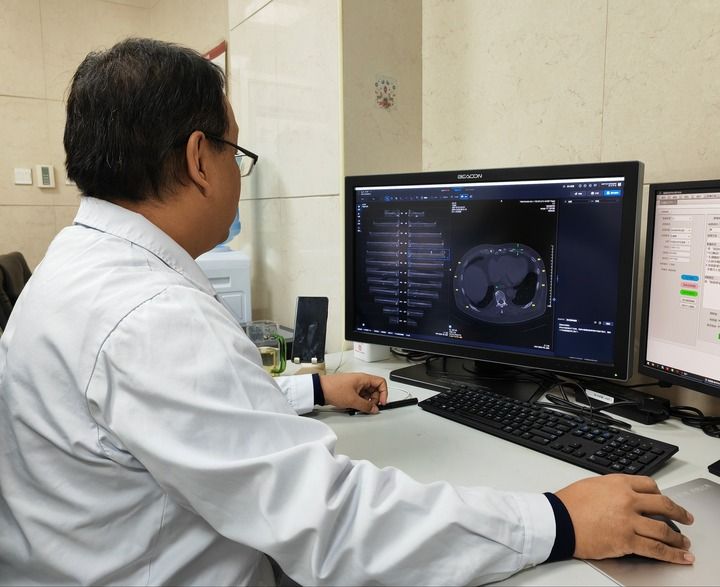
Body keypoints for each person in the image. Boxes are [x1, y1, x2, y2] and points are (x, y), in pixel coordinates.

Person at [0, 38, 695, 586]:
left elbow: (172, 417)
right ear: (199, 159)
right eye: (235, 150)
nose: (237, 172)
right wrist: (560, 519)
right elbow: (333, 524)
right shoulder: (152, 316)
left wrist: (310, 390)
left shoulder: (79, 267)